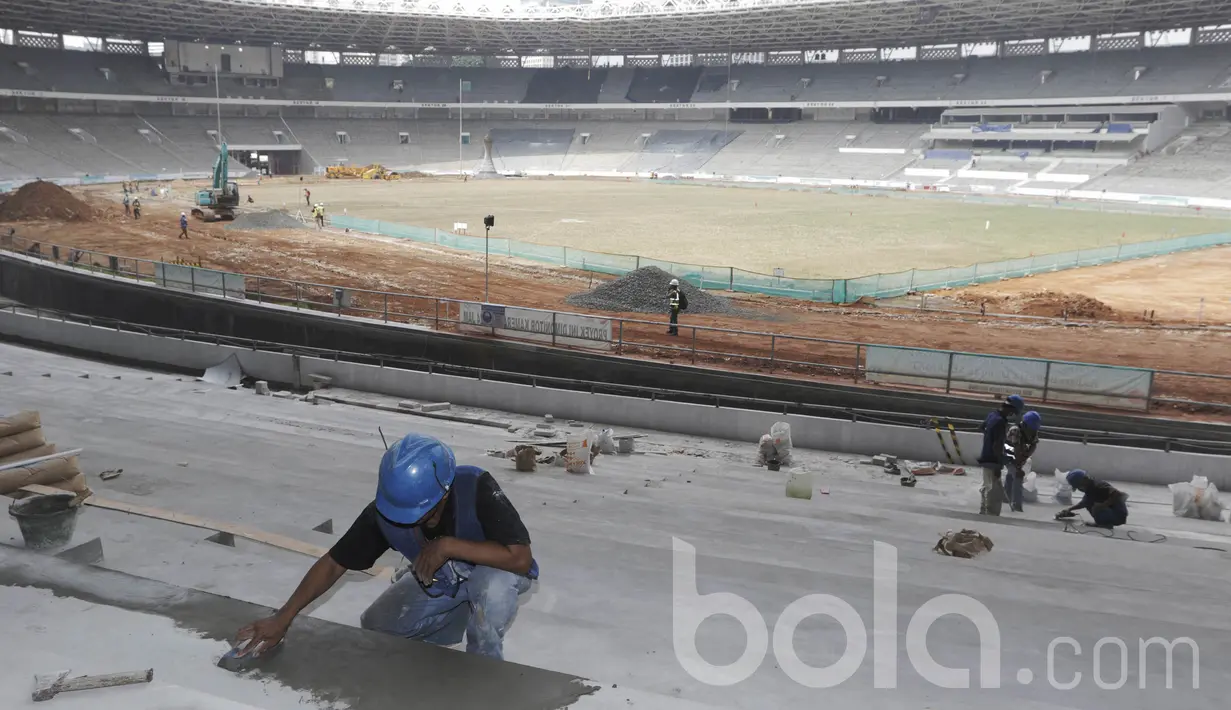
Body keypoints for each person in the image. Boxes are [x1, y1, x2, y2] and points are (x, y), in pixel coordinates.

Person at [234, 433, 537, 661]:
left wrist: (447, 545)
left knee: (491, 590)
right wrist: (282, 618)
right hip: (445, 580)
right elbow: (334, 563)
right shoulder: (386, 510)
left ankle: (482, 666)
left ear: (444, 494)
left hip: (497, 569)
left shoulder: (476, 486)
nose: (407, 522)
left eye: (420, 514)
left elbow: (520, 559)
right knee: (378, 625)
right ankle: (458, 616)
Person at [976, 394, 1024, 516]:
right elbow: (997, 446)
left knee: (987, 486)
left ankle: (983, 511)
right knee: (994, 492)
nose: (1012, 414)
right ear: (1011, 409)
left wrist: (989, 437)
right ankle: (991, 516)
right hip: (992, 460)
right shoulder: (1000, 422)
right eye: (1013, 411)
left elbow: (982, 427)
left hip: (985, 456)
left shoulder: (992, 415)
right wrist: (998, 466)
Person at [1057, 470, 1128, 529]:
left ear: (1084, 480)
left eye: (1079, 486)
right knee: (1089, 503)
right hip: (1113, 513)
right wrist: (1069, 509)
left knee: (1094, 506)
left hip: (1118, 515)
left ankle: (1105, 524)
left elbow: (1118, 494)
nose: (1080, 489)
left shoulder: (1098, 485)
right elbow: (1084, 503)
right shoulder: (1090, 489)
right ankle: (1102, 522)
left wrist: (1102, 505)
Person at [1003, 410, 1041, 513]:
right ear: (1025, 424)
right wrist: (1018, 466)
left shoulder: (1033, 430)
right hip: (1008, 454)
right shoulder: (1015, 431)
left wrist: (1026, 456)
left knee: (1011, 476)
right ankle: (1017, 505)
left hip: (1020, 453)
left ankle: (1005, 496)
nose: (1032, 431)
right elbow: (1015, 449)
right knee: (1018, 476)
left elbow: (1033, 445)